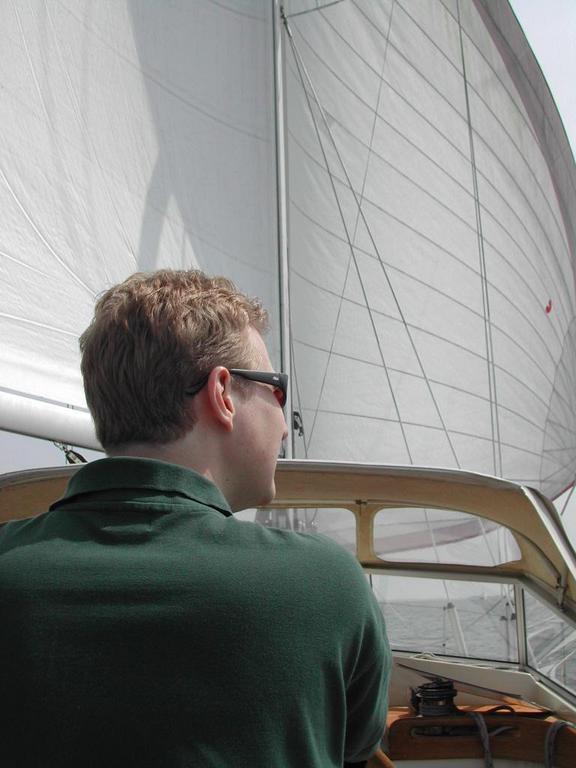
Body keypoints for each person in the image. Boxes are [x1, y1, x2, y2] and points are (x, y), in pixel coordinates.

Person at [0, 269, 390, 767]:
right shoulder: (327, 585)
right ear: (223, 394)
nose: (285, 425)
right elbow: (356, 747)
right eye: (277, 388)